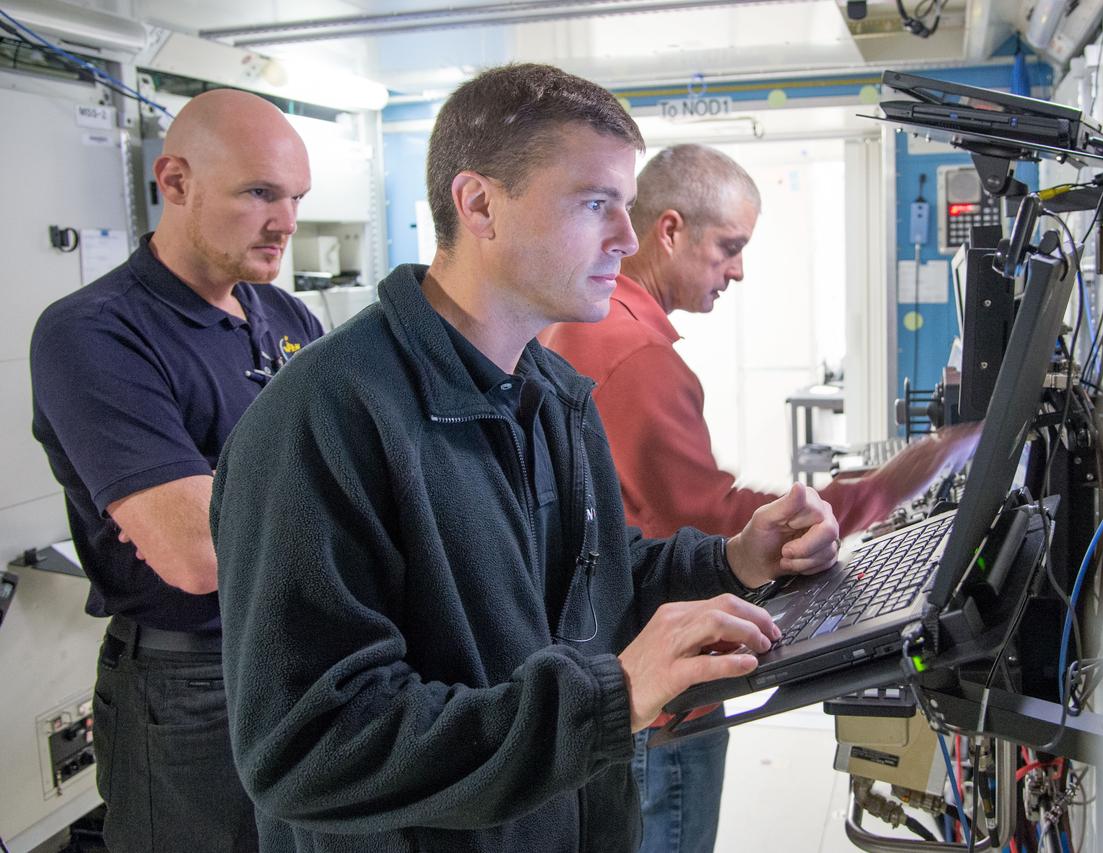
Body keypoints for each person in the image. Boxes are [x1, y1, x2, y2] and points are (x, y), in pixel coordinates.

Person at [209, 63, 840, 853]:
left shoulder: (549, 394)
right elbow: (308, 746)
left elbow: (594, 585)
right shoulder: (324, 417)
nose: (629, 238)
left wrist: (734, 558)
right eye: (594, 204)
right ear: (478, 204)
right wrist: (608, 697)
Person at [542, 143, 980, 853]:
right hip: (662, 693)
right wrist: (880, 490)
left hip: (603, 672)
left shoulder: (585, 326)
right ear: (671, 229)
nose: (738, 269)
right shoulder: (638, 357)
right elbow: (708, 524)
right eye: (729, 247)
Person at [29, 89, 323, 852]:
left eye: (294, 197)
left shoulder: (288, 320)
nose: (286, 221)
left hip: (303, 665)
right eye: (259, 192)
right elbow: (197, 552)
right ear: (176, 181)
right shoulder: (95, 333)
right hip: (190, 687)